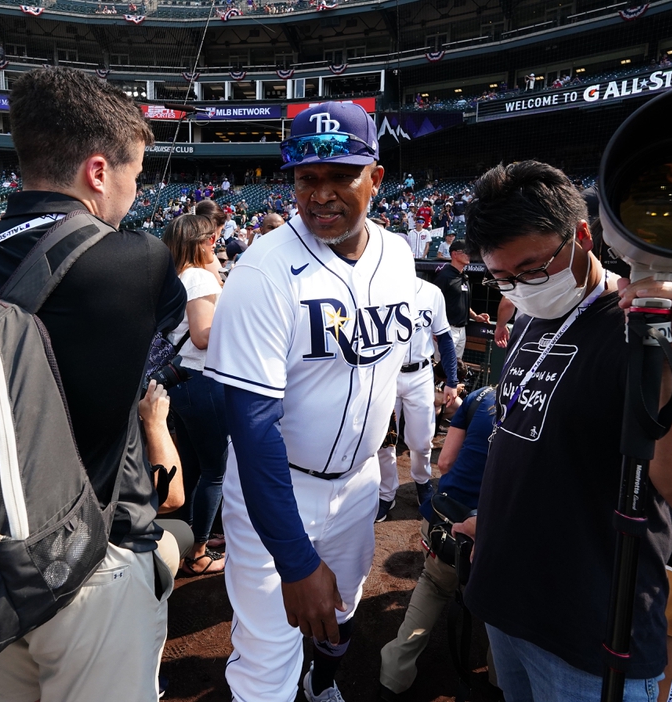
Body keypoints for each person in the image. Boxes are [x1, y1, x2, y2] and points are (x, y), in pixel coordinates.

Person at [0, 66, 187, 702]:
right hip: (89, 563)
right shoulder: (139, 258)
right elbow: (164, 361)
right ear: (98, 172)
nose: (133, 193)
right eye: (131, 176)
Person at [455, 161, 672, 702]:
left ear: (582, 235)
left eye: (533, 269)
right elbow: (528, 436)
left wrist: (670, 357)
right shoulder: (527, 314)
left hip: (592, 626)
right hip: (504, 596)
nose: (520, 288)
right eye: (502, 277)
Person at [204, 100, 415, 702]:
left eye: (339, 175)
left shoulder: (398, 256)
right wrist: (294, 559)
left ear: (375, 177)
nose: (319, 193)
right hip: (276, 483)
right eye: (306, 178)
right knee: (267, 659)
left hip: (355, 484)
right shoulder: (261, 272)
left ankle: (321, 684)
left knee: (339, 612)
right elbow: (251, 429)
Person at [379, 386, 496, 700]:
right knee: (497, 611)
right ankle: (501, 681)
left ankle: (392, 676)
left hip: (443, 522)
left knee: (432, 584)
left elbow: (444, 462)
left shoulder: (482, 396)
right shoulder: (543, 411)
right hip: (493, 532)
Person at [159, 214, 229, 576]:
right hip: (202, 378)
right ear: (197, 243)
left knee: (192, 466)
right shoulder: (198, 276)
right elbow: (204, 335)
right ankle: (199, 552)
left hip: (181, 380)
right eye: (209, 239)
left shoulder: (176, 276)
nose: (214, 243)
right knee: (215, 471)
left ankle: (185, 538)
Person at [376, 277, 459, 521]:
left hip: (421, 374)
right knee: (385, 440)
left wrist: (452, 380)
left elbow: (444, 337)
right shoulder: (378, 289)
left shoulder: (432, 292)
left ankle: (422, 482)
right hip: (387, 373)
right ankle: (386, 494)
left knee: (422, 441)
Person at [433, 240, 490, 361]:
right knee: (443, 368)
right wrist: (434, 329)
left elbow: (461, 302)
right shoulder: (445, 276)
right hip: (446, 329)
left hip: (461, 330)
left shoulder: (463, 276)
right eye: (465, 252)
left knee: (456, 368)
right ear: (454, 254)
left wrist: (475, 316)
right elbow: (433, 303)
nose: (469, 255)